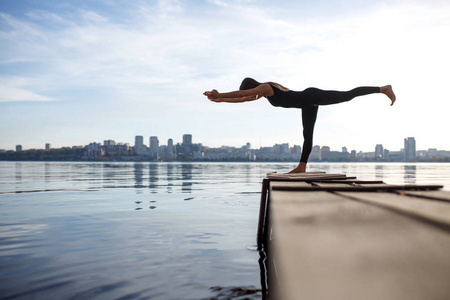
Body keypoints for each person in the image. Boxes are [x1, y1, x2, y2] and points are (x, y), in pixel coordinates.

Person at [203, 77, 396, 173]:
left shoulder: (265, 88)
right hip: (307, 102)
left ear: (251, 87)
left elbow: (240, 96)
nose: (250, 96)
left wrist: (221, 95)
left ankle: (382, 88)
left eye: (249, 92)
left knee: (347, 95)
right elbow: (242, 100)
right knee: (308, 135)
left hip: (310, 96)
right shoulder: (264, 91)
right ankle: (302, 167)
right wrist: (221, 101)